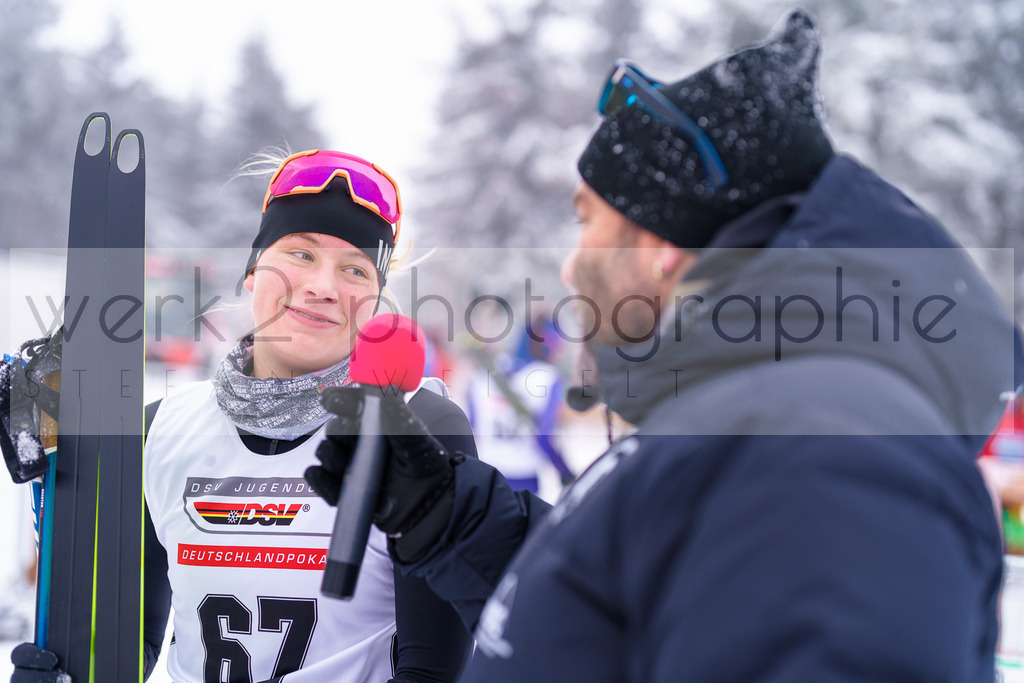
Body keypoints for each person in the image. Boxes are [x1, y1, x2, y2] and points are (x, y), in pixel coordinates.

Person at [305, 11, 1024, 682]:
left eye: (589, 222)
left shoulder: (816, 450)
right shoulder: (755, 432)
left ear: (662, 247)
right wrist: (445, 514)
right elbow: (628, 619)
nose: (569, 263)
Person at [12, 150, 477, 681]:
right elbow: (122, 644)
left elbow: (436, 669)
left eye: (354, 269)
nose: (324, 286)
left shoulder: (420, 428)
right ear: (253, 271)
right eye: (301, 254)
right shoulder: (158, 429)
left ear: (374, 300)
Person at [463, 314, 573, 496]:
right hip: (526, 481)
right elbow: (544, 437)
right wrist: (565, 471)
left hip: (487, 477)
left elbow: (471, 427)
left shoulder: (483, 373)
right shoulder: (548, 378)